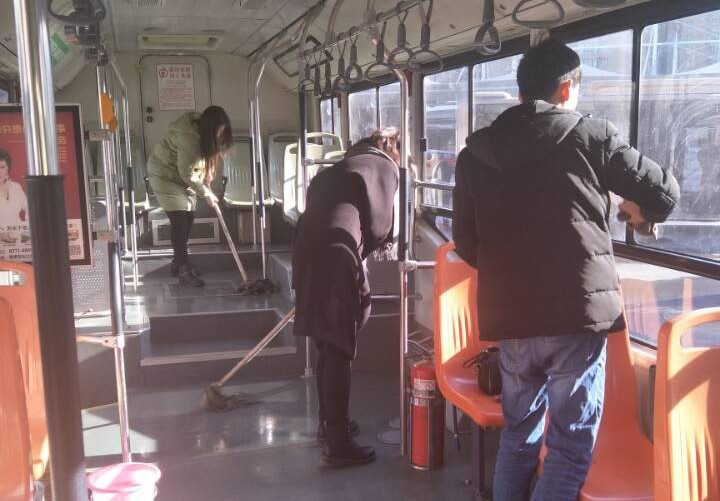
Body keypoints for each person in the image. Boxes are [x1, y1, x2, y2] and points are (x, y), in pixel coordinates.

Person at [452, 39, 679, 501]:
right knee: (570, 447)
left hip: (511, 319)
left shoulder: (475, 154)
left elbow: (467, 243)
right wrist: (638, 210)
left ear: (521, 92)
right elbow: (663, 193)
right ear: (566, 88)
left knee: (519, 435)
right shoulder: (591, 136)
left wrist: (509, 275)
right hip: (577, 315)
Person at [292, 128, 401, 467]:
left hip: (306, 255)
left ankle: (329, 425)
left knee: (326, 346)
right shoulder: (382, 167)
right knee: (339, 349)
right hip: (338, 257)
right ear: (392, 151)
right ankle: (338, 445)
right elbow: (381, 227)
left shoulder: (335, 170)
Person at [147, 106, 232, 286]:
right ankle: (183, 269)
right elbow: (186, 172)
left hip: (180, 177)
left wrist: (207, 175)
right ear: (210, 128)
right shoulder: (189, 137)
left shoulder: (203, 133)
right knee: (180, 220)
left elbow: (200, 159)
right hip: (164, 175)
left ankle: (179, 263)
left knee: (188, 218)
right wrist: (206, 193)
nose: (220, 135)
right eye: (218, 131)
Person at [0, 148, 30, 245]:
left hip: (19, 239)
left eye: (2, 167)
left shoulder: (16, 187)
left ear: (8, 168)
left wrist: (27, 231)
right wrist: (2, 235)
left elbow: (30, 208)